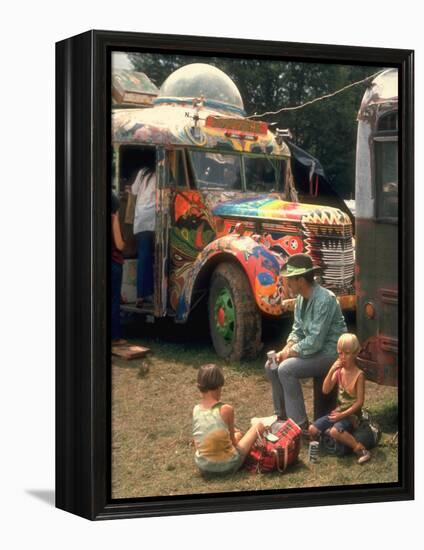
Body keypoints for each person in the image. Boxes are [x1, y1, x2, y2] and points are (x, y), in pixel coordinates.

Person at [265, 253, 347, 431]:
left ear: (300, 280)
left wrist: (289, 353)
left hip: (330, 354)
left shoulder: (325, 299)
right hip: (314, 351)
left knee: (286, 369)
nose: (287, 283)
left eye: (290, 280)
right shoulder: (302, 299)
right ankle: (282, 417)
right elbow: (298, 330)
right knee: (271, 365)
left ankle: (299, 426)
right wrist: (285, 349)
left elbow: (315, 342)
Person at [308, 333, 371, 464]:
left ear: (355, 353)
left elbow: (359, 402)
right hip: (338, 413)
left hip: (352, 415)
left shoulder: (359, 375)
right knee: (312, 429)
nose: (342, 357)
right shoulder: (339, 371)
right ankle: (324, 445)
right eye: (340, 353)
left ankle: (360, 449)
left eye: (346, 353)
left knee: (335, 431)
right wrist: (332, 369)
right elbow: (325, 390)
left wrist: (341, 415)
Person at [192, 364, 265, 475]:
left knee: (236, 434)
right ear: (219, 386)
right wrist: (237, 435)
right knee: (258, 426)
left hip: (204, 468)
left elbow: (197, 443)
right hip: (228, 466)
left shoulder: (196, 410)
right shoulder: (226, 409)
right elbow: (233, 443)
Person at [130, 153, 156, 307]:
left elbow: (133, 191)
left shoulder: (142, 172)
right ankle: (146, 294)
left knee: (143, 257)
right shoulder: (159, 174)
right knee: (149, 257)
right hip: (152, 220)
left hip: (140, 220)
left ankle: (142, 294)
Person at [111, 191, 126, 345]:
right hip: (114, 263)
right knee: (114, 300)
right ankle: (115, 337)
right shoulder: (113, 218)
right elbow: (119, 244)